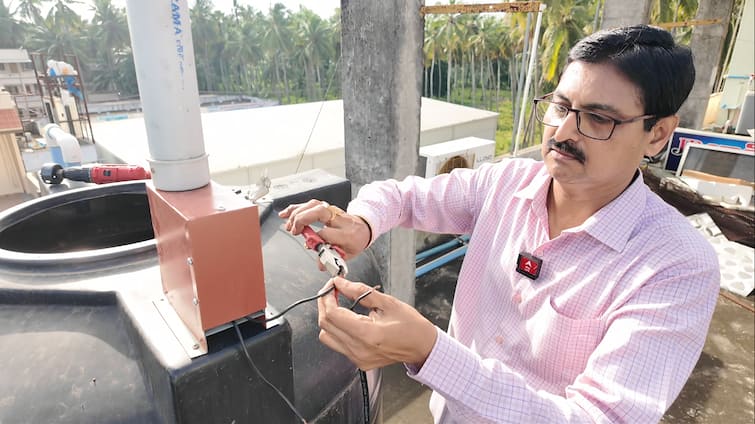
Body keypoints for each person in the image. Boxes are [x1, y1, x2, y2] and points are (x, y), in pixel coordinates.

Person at [279, 24, 720, 423]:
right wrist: (362, 222)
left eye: (599, 119)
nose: (564, 133)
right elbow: (403, 196)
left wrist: (429, 351)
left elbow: (600, 419)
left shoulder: (676, 266)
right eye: (561, 106)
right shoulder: (506, 183)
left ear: (658, 133)